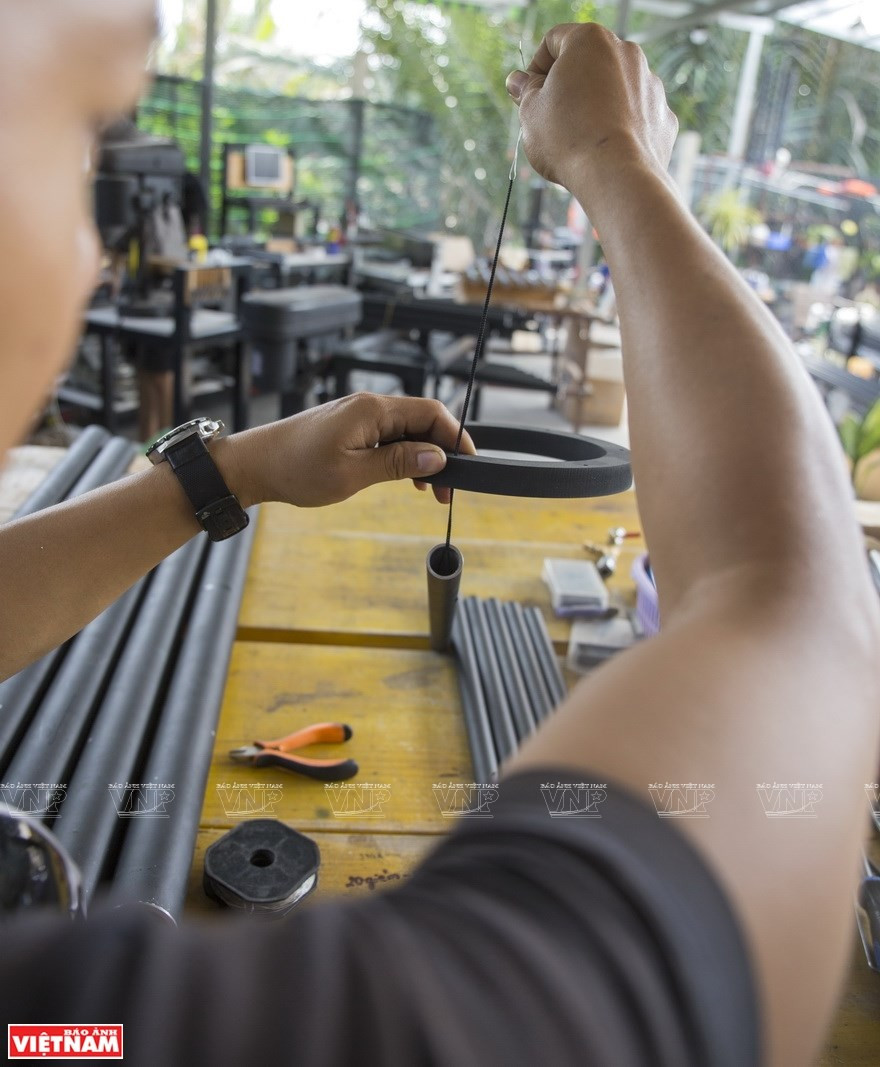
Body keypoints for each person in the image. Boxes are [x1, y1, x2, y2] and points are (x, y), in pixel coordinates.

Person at [1, 8, 878, 1066]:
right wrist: (617, 162)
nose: (96, 249)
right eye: (85, 129)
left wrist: (234, 470)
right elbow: (796, 605)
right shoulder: (115, 1021)